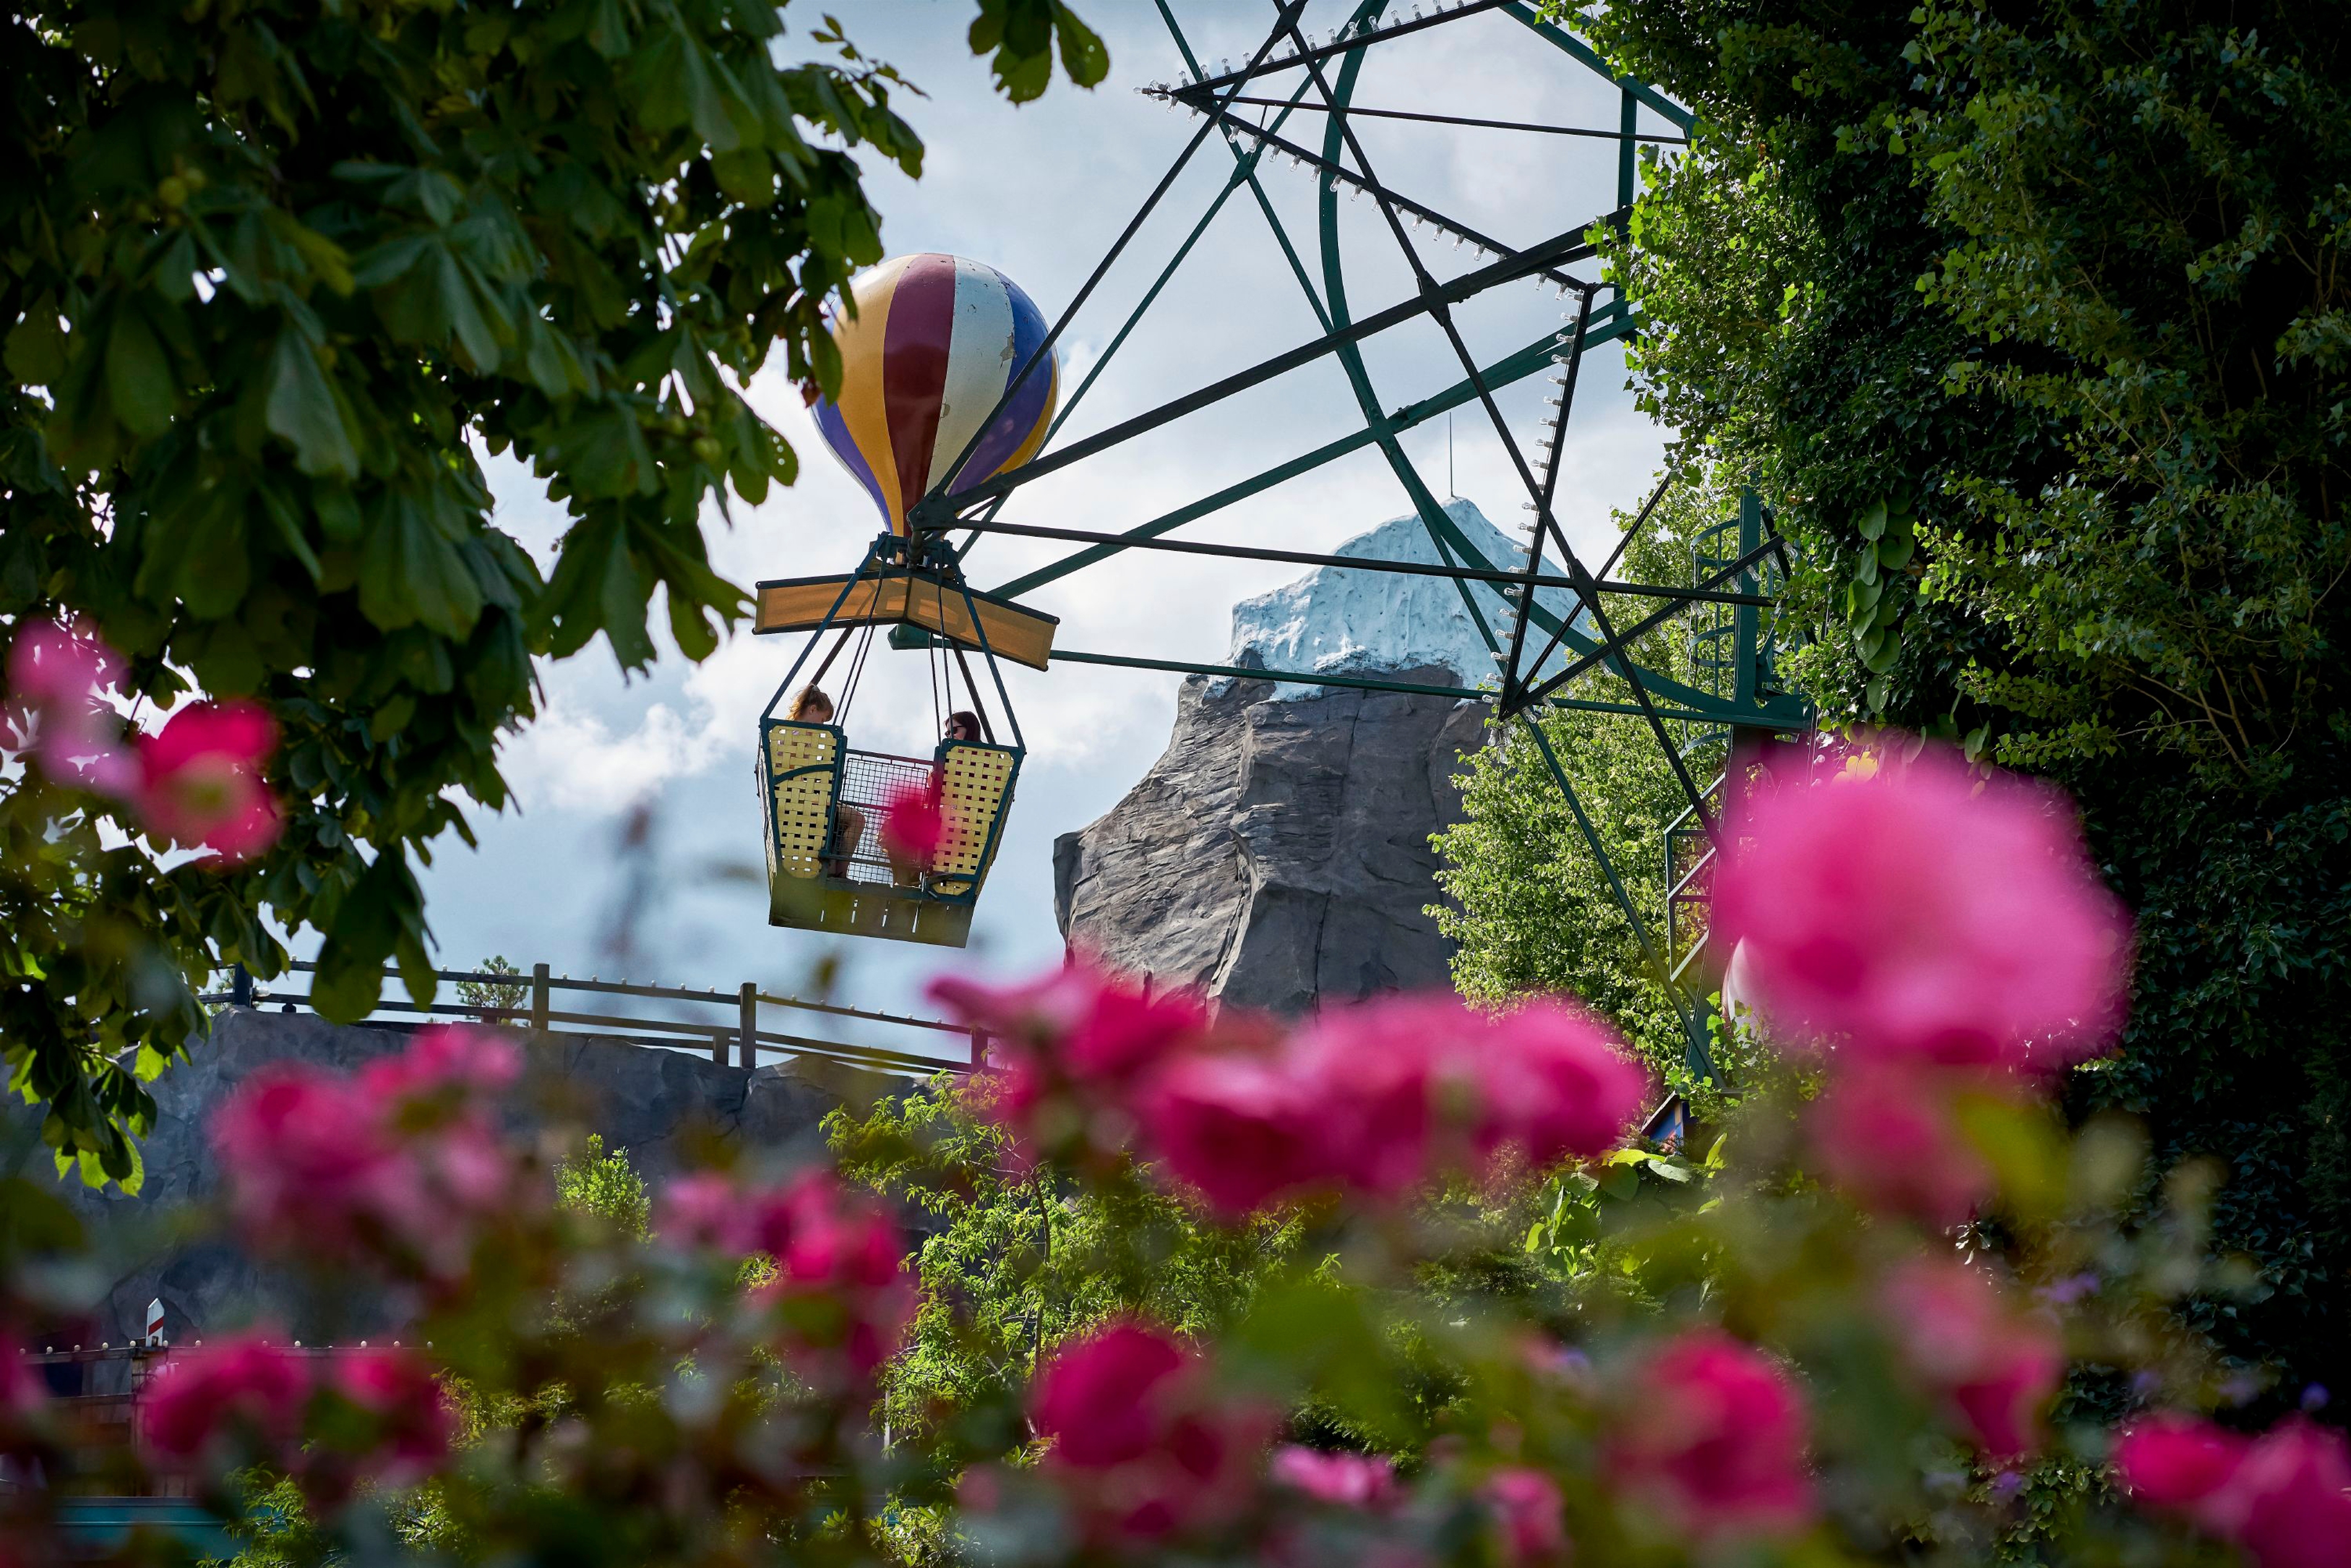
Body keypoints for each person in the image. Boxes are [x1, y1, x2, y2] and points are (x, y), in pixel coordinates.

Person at [788, 686, 864, 878]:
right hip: (807, 797)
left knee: (843, 819)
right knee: (856, 819)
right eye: (822, 720)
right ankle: (839, 871)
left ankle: (836, 867)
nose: (823, 725)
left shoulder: (787, 733)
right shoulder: (801, 736)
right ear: (812, 709)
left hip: (806, 796)